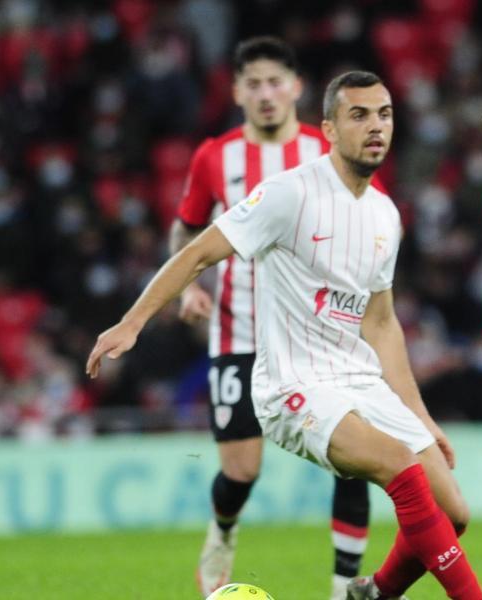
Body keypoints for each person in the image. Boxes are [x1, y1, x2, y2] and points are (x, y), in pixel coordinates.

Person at [88, 71, 482, 600]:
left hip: (360, 379)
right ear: (329, 129)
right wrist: (132, 321)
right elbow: (199, 252)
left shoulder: (385, 214)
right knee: (402, 470)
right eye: (359, 115)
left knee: (452, 514)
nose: (376, 126)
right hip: (294, 386)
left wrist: (420, 416)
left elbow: (381, 322)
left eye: (384, 114)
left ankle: (372, 593)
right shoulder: (289, 194)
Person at [172, 37, 374, 599]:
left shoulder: (326, 151)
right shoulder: (215, 157)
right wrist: (187, 287)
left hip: (318, 335)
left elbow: (366, 225)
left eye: (275, 82)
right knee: (241, 470)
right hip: (239, 330)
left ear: (296, 88)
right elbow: (187, 230)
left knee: (353, 459)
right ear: (237, 92)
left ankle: (343, 588)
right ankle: (222, 531)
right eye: (253, 83)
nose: (266, 93)